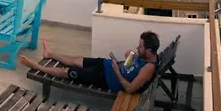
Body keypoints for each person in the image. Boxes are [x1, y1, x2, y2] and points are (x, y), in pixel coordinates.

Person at [20, 31, 160, 93]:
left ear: (149, 51)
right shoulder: (146, 55)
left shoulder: (148, 68)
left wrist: (117, 71)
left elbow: (129, 89)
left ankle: (36, 67)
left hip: (105, 78)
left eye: (140, 47)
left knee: (66, 72)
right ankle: (49, 54)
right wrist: (130, 57)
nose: (137, 48)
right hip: (107, 65)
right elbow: (130, 68)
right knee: (77, 60)